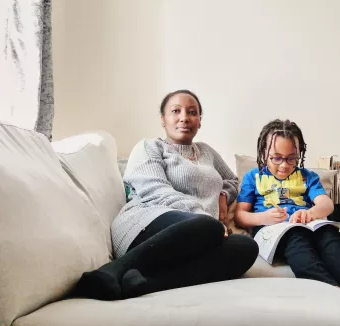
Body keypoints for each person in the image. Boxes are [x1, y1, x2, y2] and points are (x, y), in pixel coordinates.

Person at [71, 90, 259, 301]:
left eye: (192, 112)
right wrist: (202, 214)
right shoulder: (149, 146)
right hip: (146, 223)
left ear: (199, 121)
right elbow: (154, 189)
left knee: (246, 247)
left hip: (198, 237)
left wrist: (224, 195)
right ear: (163, 119)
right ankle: (111, 271)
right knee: (210, 226)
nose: (184, 118)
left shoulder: (207, 152)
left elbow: (232, 180)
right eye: (175, 111)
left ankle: (143, 285)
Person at [234, 119, 340, 303]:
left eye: (291, 158)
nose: (284, 165)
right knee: (296, 239)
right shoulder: (254, 177)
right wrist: (264, 217)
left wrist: (311, 213)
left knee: (330, 234)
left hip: (308, 225)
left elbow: (326, 205)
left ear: (299, 155)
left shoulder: (308, 177)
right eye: (276, 158)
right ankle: (338, 296)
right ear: (263, 153)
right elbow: (240, 216)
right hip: (276, 231)